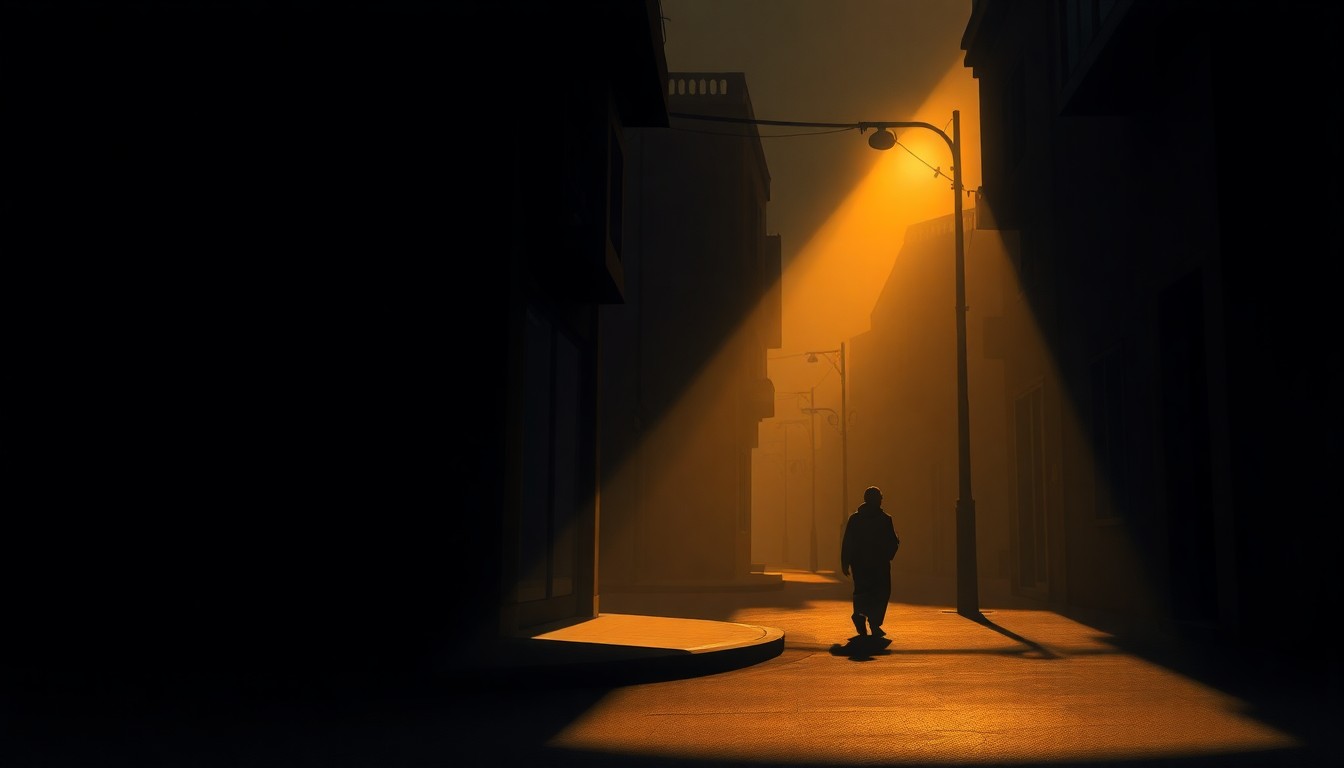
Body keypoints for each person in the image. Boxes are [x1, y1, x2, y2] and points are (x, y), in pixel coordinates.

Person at [840, 486, 900, 637]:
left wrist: (845, 561)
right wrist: (888, 555)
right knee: (881, 592)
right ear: (877, 500)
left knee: (862, 591)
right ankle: (874, 622)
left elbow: (848, 541)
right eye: (880, 498)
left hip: (859, 564)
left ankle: (860, 616)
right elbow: (893, 542)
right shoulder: (885, 519)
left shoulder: (855, 519)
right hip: (879, 565)